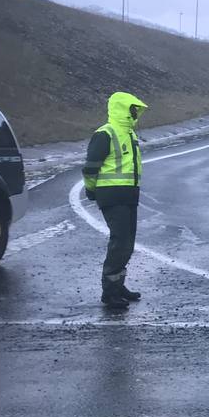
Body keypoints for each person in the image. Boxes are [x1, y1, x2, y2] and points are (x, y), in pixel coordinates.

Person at [82, 91, 148, 310]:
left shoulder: (130, 133)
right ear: (122, 108)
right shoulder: (105, 133)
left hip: (129, 195)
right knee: (119, 242)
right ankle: (109, 292)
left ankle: (118, 285)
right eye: (132, 108)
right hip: (111, 195)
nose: (136, 113)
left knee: (127, 243)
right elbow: (91, 167)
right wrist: (91, 190)